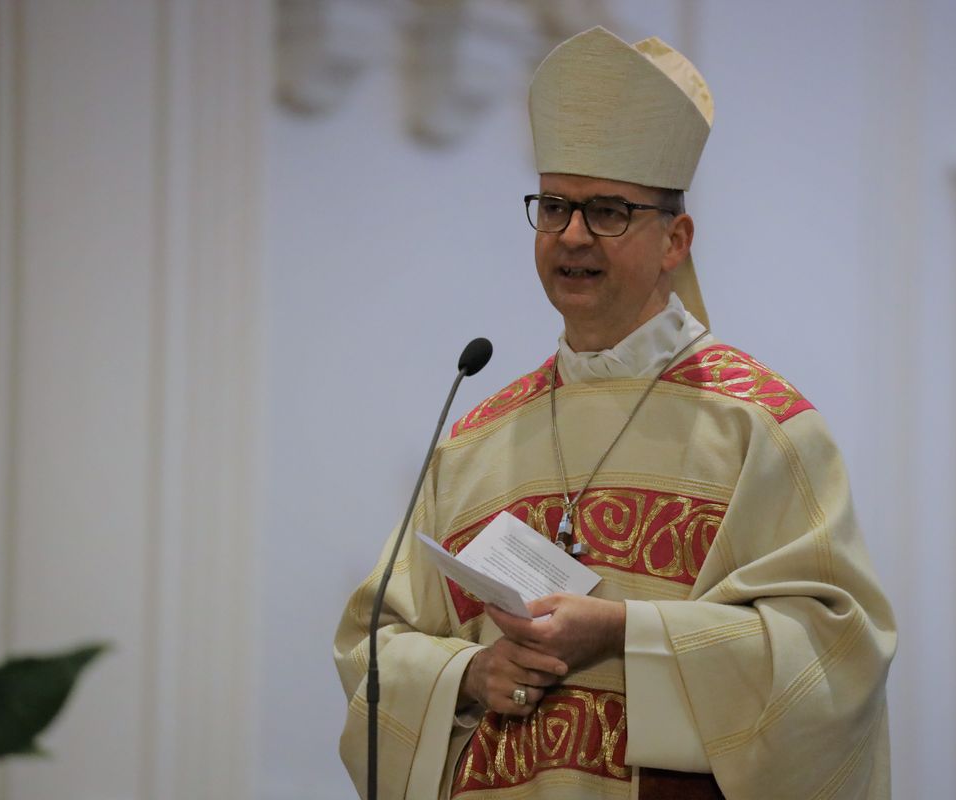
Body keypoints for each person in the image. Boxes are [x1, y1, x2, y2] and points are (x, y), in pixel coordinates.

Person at [335, 26, 896, 799]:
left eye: (608, 212)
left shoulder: (760, 427)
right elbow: (373, 644)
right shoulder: (475, 439)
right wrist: (469, 672)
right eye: (555, 206)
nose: (571, 235)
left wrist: (624, 632)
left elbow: (836, 659)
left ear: (676, 239)